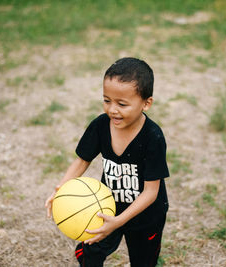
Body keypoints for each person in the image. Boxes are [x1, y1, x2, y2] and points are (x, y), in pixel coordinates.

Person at [45, 57, 170, 267]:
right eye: (107, 100)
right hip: (106, 206)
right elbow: (82, 161)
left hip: (145, 216)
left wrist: (119, 222)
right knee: (91, 252)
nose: (113, 109)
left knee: (143, 262)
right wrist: (60, 190)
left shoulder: (153, 137)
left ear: (146, 103)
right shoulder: (101, 126)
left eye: (122, 104)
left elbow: (151, 192)